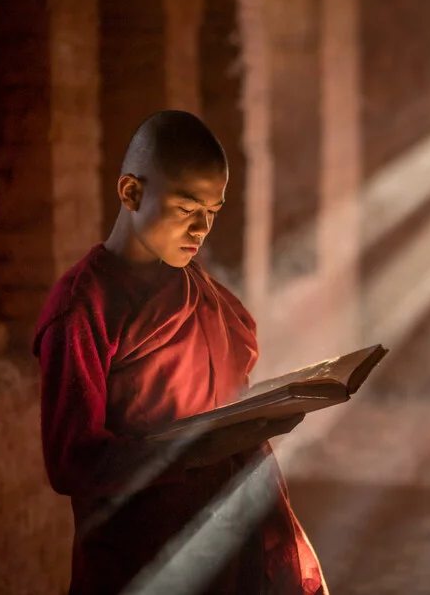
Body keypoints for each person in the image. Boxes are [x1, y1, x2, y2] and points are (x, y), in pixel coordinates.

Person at [33, 110, 327, 594]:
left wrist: (263, 414)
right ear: (131, 193)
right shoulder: (84, 308)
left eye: (212, 212)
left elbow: (230, 392)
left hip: (228, 538)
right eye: (187, 208)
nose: (201, 229)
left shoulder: (203, 294)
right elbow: (72, 460)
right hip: (141, 556)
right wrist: (190, 452)